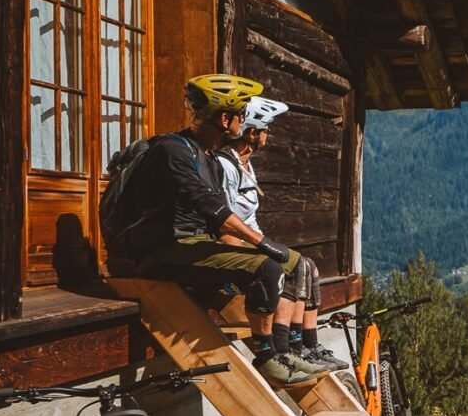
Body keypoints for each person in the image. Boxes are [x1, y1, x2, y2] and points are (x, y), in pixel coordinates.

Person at [117, 74, 312, 387]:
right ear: (225, 118)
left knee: (292, 263)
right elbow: (207, 204)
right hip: (162, 251)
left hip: (193, 246)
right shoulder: (173, 149)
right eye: (241, 115)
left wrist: (255, 246)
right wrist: (260, 243)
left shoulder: (205, 155)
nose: (244, 121)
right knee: (267, 267)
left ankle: (284, 349)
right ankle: (266, 357)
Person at [215, 95, 349, 372]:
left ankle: (307, 345)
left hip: (249, 239)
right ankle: (284, 348)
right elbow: (223, 220)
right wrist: (254, 251)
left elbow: (249, 218)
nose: (268, 135)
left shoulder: (246, 166)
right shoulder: (226, 166)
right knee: (291, 267)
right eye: (266, 129)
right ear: (253, 132)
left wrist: (269, 245)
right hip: (232, 245)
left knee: (307, 267)